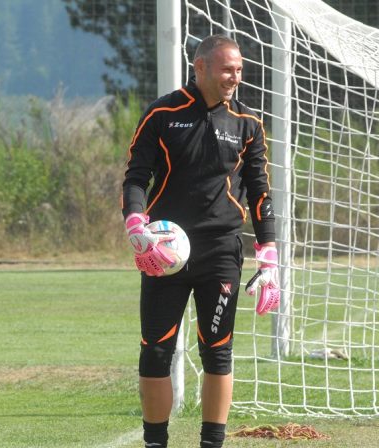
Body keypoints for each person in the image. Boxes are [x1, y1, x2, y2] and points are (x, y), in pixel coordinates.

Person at [121, 34, 280, 448]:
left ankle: (212, 443)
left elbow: (260, 189)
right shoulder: (162, 113)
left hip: (222, 252)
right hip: (165, 253)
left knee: (217, 351)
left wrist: (269, 257)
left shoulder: (248, 122)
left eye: (240, 69)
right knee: (156, 350)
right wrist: (136, 224)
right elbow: (136, 176)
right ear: (201, 67)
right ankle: (155, 442)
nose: (235, 77)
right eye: (228, 68)